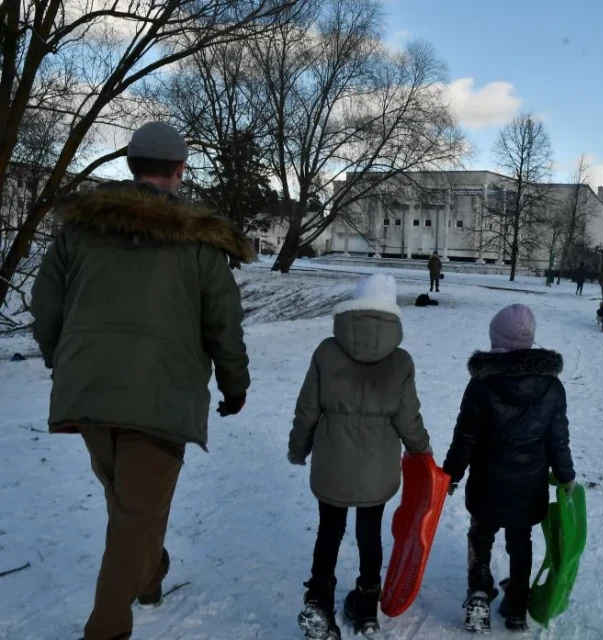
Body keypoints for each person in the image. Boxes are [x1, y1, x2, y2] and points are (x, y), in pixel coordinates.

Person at [30, 122, 253, 640]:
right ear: (178, 170)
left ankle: (150, 575)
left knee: (129, 503)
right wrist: (234, 385)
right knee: (133, 514)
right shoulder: (199, 242)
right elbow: (224, 322)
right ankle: (107, 628)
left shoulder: (80, 230)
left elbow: (46, 306)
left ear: (132, 166)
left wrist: (63, 360)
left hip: (89, 391)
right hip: (161, 397)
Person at [288, 274, 432, 639]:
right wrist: (423, 452)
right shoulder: (401, 361)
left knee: (329, 532)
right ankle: (368, 607)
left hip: (332, 464)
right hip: (376, 469)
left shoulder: (326, 351)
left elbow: (307, 409)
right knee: (370, 536)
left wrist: (298, 448)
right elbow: (408, 418)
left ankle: (319, 602)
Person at [443, 304, 576, 633]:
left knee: (481, 533)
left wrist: (452, 473)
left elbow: (466, 437)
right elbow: (558, 439)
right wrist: (565, 474)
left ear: (496, 340)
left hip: (488, 482)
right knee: (521, 540)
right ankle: (517, 606)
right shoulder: (551, 387)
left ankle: (478, 591)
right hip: (528, 485)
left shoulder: (482, 385)